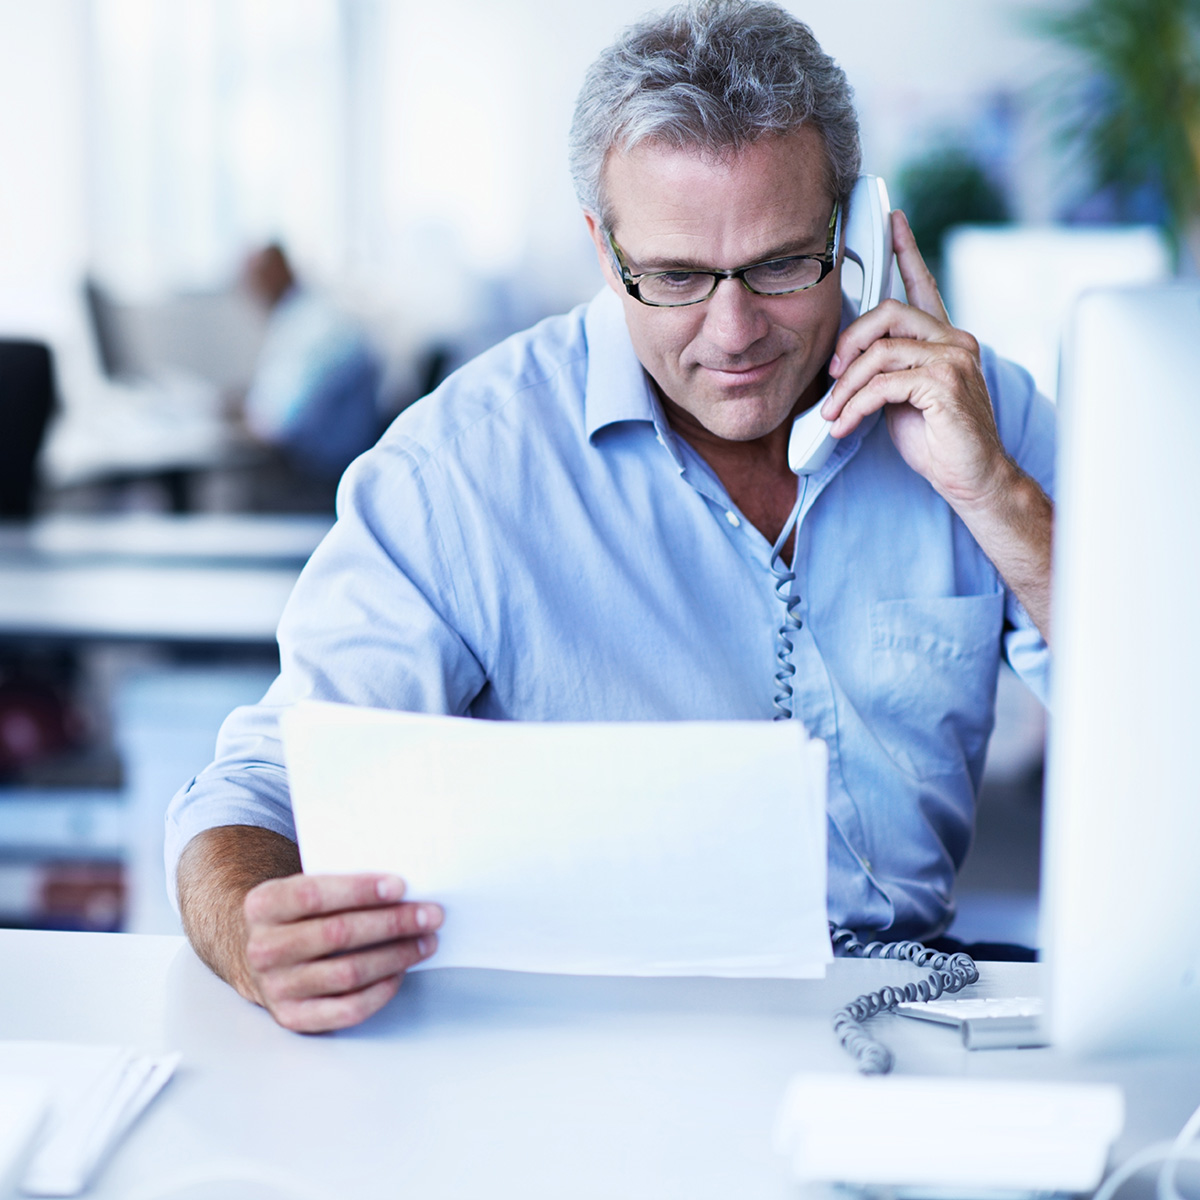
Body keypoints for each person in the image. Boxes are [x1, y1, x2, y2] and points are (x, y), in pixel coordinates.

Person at [170, 0, 1053, 1034]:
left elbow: (1166, 727)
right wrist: (250, 928)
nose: (732, 334)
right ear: (603, 248)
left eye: (779, 264)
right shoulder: (460, 468)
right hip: (587, 1040)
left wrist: (995, 497)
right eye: (674, 277)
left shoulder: (978, 411)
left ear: (852, 229)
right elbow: (260, 787)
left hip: (911, 1013)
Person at [240, 243, 382, 506]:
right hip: (322, 464)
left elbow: (282, 425)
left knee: (239, 493)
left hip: (319, 474)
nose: (249, 292)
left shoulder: (316, 326)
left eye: (253, 280)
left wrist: (246, 421)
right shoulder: (303, 314)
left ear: (277, 274)